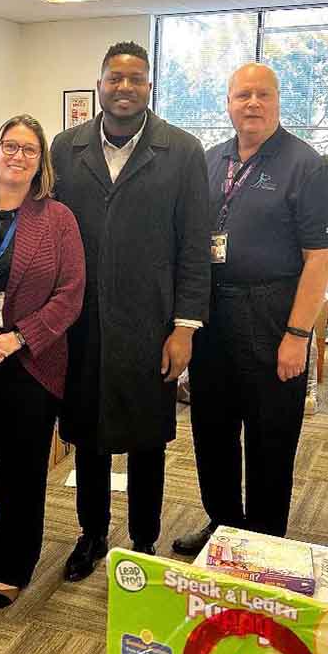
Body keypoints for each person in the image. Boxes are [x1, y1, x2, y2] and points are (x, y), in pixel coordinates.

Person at [51, 41, 211, 582]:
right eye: (114, 78)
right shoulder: (64, 148)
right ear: (99, 84)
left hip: (152, 323)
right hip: (82, 323)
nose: (124, 87)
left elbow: (194, 246)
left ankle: (143, 540)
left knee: (146, 439)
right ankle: (91, 534)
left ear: (149, 86)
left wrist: (185, 327)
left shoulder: (183, 152)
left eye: (135, 78)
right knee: (88, 436)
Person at [172, 63, 328, 556]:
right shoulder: (208, 159)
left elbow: (319, 259)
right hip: (214, 311)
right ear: (228, 102)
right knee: (212, 428)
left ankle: (265, 541)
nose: (252, 104)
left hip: (272, 312)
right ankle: (222, 524)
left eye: (263, 94)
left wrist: (297, 334)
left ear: (279, 101)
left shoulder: (304, 164)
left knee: (271, 434)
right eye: (243, 94)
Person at [0, 115, 85, 609]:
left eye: (29, 149)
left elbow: (71, 296)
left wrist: (20, 338)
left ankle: (10, 568)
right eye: (10, 146)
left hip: (32, 364)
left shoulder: (58, 219)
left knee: (22, 472)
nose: (18, 156)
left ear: (40, 160)